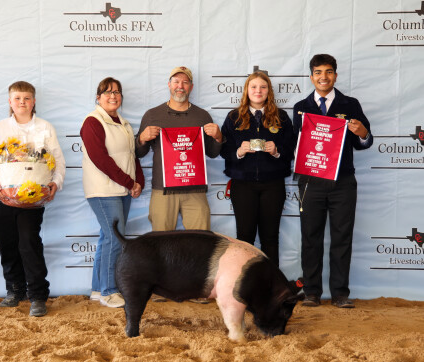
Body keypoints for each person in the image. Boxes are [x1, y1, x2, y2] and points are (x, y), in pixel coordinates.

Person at [136, 66, 223, 303]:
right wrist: (142, 138)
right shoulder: (152, 114)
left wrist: (217, 137)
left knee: (201, 241)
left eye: (185, 83)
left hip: (195, 189)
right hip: (163, 189)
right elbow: (139, 151)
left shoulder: (202, 116)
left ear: (191, 87)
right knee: (160, 240)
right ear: (169, 84)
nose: (180, 86)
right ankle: (162, 288)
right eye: (176, 81)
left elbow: (214, 154)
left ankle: (198, 288)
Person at [293, 54, 373, 308]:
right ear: (311, 76)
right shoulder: (300, 107)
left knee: (342, 237)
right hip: (311, 182)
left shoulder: (350, 104)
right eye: (318, 72)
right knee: (310, 237)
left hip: (342, 182)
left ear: (335, 76)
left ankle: (340, 293)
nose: (323, 77)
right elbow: (294, 145)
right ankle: (312, 292)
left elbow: (365, 141)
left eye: (328, 72)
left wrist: (362, 133)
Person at [0, 81, 65, 317]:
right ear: (10, 102)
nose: (22, 102)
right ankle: (14, 290)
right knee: (6, 245)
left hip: (32, 200)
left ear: (34, 101)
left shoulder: (45, 127)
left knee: (29, 244)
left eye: (26, 98)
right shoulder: (0, 128)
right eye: (17, 98)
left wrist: (55, 183)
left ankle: (37, 295)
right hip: (3, 199)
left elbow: (58, 161)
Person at [80, 77, 144, 308]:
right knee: (115, 238)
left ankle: (98, 289)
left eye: (117, 92)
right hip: (103, 190)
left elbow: (132, 155)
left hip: (122, 188)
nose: (113, 96)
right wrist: (129, 182)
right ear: (98, 97)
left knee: (108, 237)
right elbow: (100, 159)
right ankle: (109, 291)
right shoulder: (93, 122)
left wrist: (138, 182)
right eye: (107, 92)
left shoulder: (123, 124)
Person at [220, 71, 294, 266]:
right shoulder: (234, 117)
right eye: (254, 87)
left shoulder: (282, 117)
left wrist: (277, 151)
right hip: (242, 185)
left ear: (269, 91)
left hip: (273, 185)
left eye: (263, 87)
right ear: (247, 90)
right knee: (245, 238)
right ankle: (245, 287)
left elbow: (292, 149)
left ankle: (272, 289)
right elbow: (223, 150)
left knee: (270, 238)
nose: (258, 91)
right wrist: (239, 151)